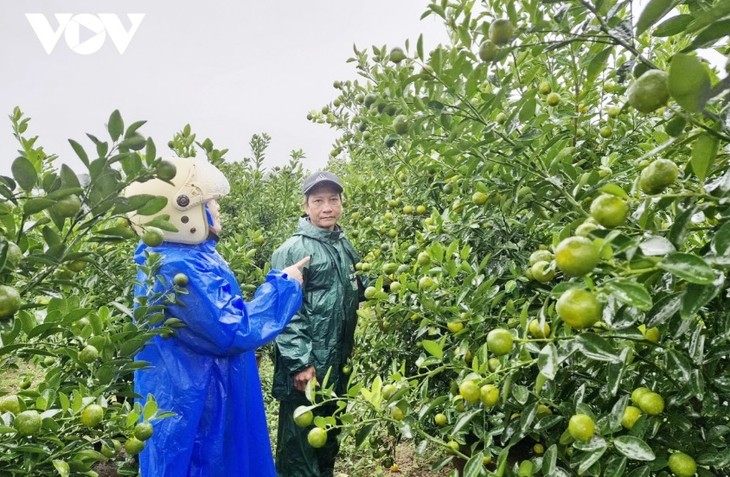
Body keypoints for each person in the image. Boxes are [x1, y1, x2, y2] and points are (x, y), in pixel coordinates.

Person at [125, 157, 309, 477]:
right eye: (210, 202)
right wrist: (284, 286)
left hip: (204, 393)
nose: (217, 208)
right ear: (182, 210)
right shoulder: (177, 266)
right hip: (195, 406)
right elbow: (231, 330)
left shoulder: (189, 257)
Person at [271, 171, 363, 477]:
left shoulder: (344, 244)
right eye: (318, 200)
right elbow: (284, 310)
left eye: (333, 200)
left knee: (328, 434)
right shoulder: (294, 250)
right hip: (308, 365)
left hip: (337, 361)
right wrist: (300, 362)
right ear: (306, 206)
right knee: (299, 445)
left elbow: (359, 285)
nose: (327, 207)